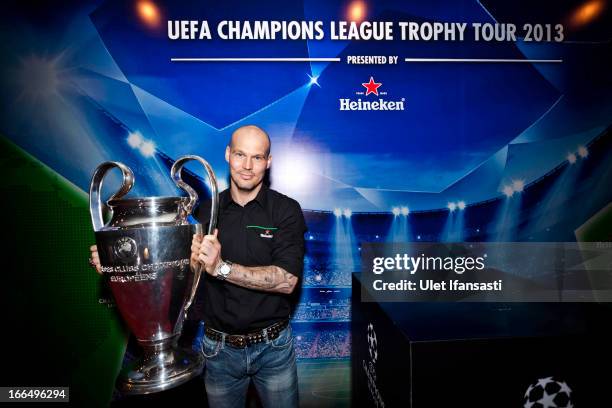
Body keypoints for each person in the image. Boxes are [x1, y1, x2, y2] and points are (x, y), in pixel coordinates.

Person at [90, 125, 306, 408]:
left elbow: (287, 280)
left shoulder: (286, 210)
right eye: (241, 154)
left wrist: (221, 267)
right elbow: (174, 271)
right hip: (218, 352)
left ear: (269, 161)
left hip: (274, 348)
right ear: (228, 154)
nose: (248, 166)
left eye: (257, 157)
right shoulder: (203, 213)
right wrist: (118, 262)